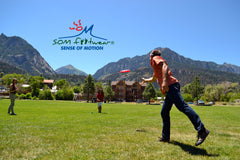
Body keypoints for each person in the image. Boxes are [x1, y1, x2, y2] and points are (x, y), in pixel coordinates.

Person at [141, 50, 209, 146]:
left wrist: (164, 81)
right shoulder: (156, 67)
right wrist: (145, 80)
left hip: (171, 86)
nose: (149, 58)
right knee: (164, 112)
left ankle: (202, 130)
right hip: (170, 89)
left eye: (149, 56)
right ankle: (165, 137)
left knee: (183, 107)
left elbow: (165, 65)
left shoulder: (156, 59)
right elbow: (154, 79)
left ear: (151, 55)